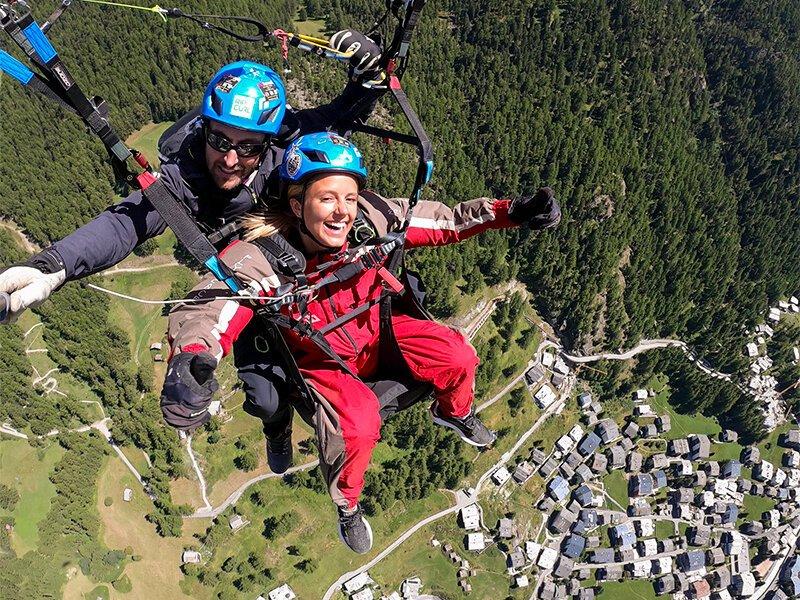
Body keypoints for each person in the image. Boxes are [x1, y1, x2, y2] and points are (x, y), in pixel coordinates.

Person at [0, 30, 384, 473]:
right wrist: (53, 266)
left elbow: (338, 120)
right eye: (220, 141)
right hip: (240, 278)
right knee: (264, 395)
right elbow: (127, 221)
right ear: (204, 129)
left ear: (267, 143)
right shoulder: (185, 176)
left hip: (289, 263)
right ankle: (276, 429)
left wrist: (367, 75)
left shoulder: (283, 150)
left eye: (247, 148)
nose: (231, 159)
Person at [164, 132, 561, 553]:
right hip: (322, 359)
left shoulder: (371, 219)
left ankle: (455, 412)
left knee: (457, 354)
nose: (343, 213)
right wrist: (193, 356)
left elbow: (444, 220)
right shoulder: (261, 256)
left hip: (379, 331)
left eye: (350, 198)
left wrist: (510, 212)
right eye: (328, 199)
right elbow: (213, 304)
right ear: (297, 205)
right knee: (358, 425)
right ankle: (348, 505)